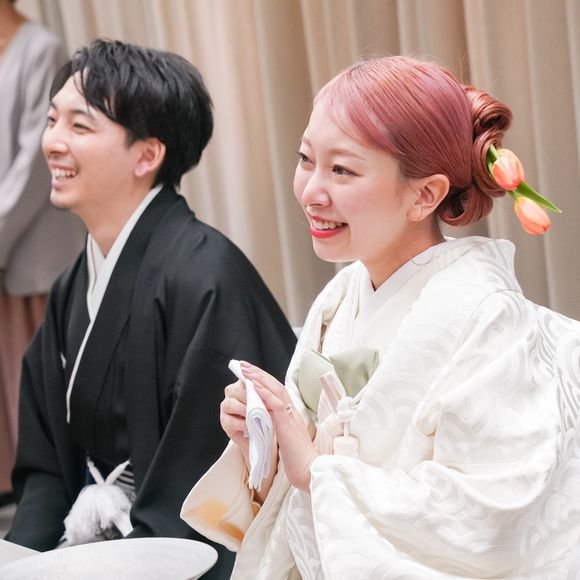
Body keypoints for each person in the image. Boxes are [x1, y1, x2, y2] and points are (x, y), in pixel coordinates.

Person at [181, 55, 580, 577]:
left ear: (425, 195)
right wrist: (268, 445)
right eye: (306, 159)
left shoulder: (487, 316)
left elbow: (492, 515)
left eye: (342, 170)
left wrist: (317, 472)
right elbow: (309, 473)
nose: (311, 192)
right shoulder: (341, 294)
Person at [6, 39, 296, 579]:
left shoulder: (208, 277)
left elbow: (204, 479)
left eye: (80, 126)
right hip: (102, 550)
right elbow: (46, 467)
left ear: (147, 155)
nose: (53, 142)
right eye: (51, 120)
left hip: (178, 557)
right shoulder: (72, 285)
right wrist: (24, 561)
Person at [0, 0, 85, 500]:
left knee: (38, 376)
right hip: (7, 241)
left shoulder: (41, 49)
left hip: (32, 247)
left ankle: (53, 491)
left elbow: (36, 161)